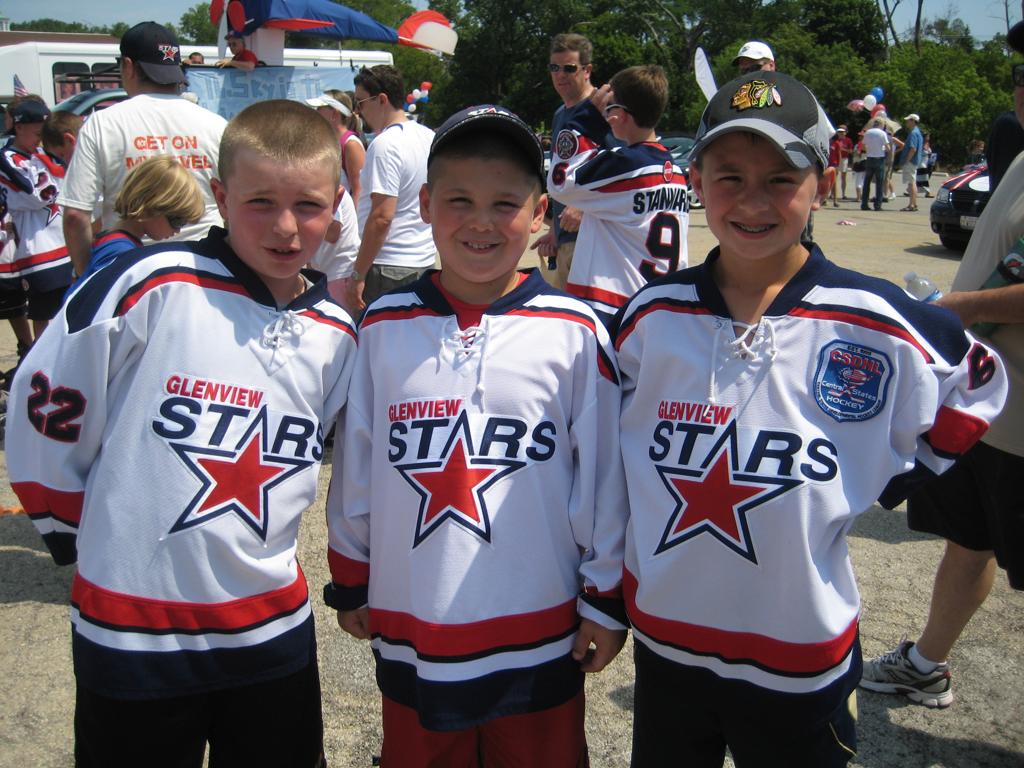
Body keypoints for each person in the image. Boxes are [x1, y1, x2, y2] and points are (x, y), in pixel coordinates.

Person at [615, 71, 1007, 767]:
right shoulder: (652, 314)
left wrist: (891, 472)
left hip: (799, 650)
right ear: (696, 181)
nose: (752, 201)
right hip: (668, 638)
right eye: (729, 178)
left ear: (822, 184)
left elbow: (976, 380)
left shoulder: (873, 319)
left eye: (780, 179)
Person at [6, 99, 356, 767]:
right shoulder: (150, 282)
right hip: (131, 628)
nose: (286, 227)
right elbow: (47, 401)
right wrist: (70, 526)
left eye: (308, 205)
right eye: (260, 202)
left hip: (268, 631)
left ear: (337, 203)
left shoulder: (337, 332)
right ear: (220, 196)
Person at [325, 104, 627, 767]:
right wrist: (351, 574)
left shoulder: (575, 331)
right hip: (416, 619)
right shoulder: (383, 325)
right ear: (425, 205)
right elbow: (357, 466)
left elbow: (604, 481)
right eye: (459, 201)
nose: (481, 222)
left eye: (504, 204)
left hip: (539, 622)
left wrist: (604, 599)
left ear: (540, 212)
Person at [859, 24, 1024, 710]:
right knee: (968, 540)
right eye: (1021, 72)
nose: (1021, 87)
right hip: (982, 405)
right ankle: (927, 663)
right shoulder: (1021, 156)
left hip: (1021, 422)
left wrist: (959, 307)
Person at [60, 21, 227, 275]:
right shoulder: (216, 125)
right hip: (204, 271)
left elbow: (75, 216)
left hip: (127, 271)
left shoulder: (103, 123)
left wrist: (88, 278)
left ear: (128, 66)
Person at [546, 64, 688, 326]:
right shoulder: (676, 172)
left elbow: (560, 182)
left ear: (620, 115)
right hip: (658, 303)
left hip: (616, 306)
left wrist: (588, 118)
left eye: (610, 108)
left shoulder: (627, 165)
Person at [530, 33, 617, 290]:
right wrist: (555, 232)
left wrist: (585, 208)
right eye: (554, 68)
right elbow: (566, 174)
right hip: (567, 241)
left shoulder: (603, 108)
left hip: (597, 240)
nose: (560, 75)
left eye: (569, 68)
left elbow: (623, 167)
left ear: (587, 70)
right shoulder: (560, 114)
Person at [345, 65, 434, 314]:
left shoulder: (385, 144)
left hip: (387, 267)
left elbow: (382, 217)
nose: (358, 112)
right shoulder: (427, 136)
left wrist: (357, 274)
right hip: (422, 260)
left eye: (360, 103)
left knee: (376, 335)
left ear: (382, 99)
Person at [68, 155, 205, 293]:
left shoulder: (116, 243)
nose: (178, 231)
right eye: (177, 220)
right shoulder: (120, 253)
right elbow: (97, 300)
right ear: (151, 206)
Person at [0, 99, 73, 339]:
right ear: (19, 127)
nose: (41, 141)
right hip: (39, 253)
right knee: (43, 316)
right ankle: (39, 360)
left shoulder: (42, 155)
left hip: (66, 247)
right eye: (38, 134)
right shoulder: (8, 159)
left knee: (70, 313)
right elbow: (38, 195)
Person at [307, 91, 365, 205]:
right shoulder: (328, 143)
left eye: (320, 108)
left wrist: (354, 217)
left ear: (334, 113)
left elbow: (359, 191)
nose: (316, 112)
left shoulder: (351, 144)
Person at [860, 116, 889, 211]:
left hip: (869, 158)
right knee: (879, 182)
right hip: (879, 159)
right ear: (881, 124)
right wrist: (883, 149)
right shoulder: (882, 133)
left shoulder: (868, 132)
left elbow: (863, 146)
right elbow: (887, 148)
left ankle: (864, 204)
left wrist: (869, 150)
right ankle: (878, 205)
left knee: (867, 182)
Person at [897, 113, 923, 211]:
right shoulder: (918, 132)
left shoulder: (913, 133)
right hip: (915, 161)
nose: (907, 122)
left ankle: (911, 205)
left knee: (911, 183)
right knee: (912, 182)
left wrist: (906, 160)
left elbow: (913, 149)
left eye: (908, 120)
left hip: (911, 161)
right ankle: (913, 204)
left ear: (913, 121)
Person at [829, 124, 854, 203]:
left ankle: (843, 194)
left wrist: (842, 149)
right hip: (834, 160)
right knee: (834, 177)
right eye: (839, 131)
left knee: (843, 177)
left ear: (846, 132)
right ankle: (832, 194)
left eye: (843, 131)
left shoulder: (848, 140)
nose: (841, 133)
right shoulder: (834, 140)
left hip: (844, 159)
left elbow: (851, 151)